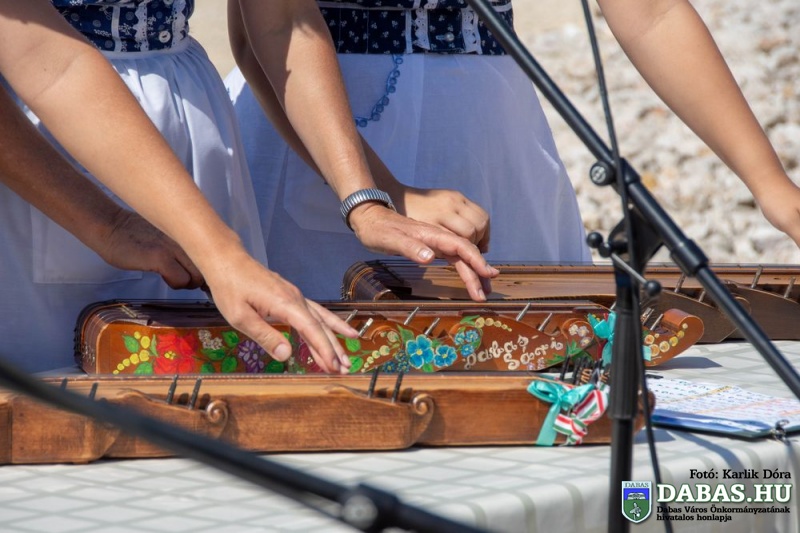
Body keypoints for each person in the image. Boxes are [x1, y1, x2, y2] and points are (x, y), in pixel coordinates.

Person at [0, 0, 496, 374]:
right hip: (51, 147)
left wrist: (365, 200)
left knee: (220, 389)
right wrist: (114, 224)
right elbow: (49, 60)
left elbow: (282, 20)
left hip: (190, 113)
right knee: (60, 402)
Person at [225, 0, 800, 301]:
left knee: (541, 390)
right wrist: (378, 192)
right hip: (322, 135)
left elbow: (652, 13)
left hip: (493, 140)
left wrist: (775, 191)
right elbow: (262, 32)